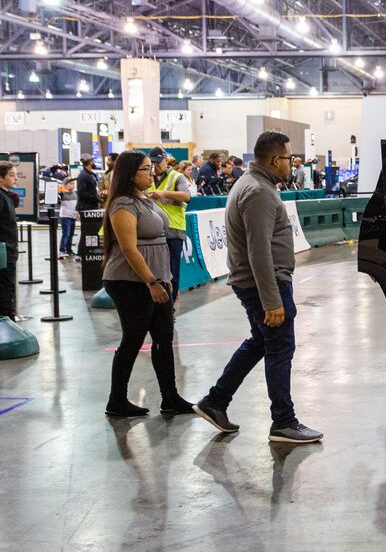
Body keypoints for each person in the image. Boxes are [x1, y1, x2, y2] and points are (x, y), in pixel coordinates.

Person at [194, 131, 322, 444]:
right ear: (275, 159)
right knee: (280, 348)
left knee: (261, 342)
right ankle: (283, 421)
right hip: (265, 284)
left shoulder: (253, 184)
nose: (292, 164)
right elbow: (259, 250)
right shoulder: (259, 192)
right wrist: (272, 300)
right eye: (289, 158)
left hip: (258, 283)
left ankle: (216, 401)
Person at [101, 151, 193, 417]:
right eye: (145, 169)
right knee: (133, 338)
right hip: (131, 281)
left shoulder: (145, 199)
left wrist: (165, 279)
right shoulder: (122, 205)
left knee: (163, 337)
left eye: (151, 168)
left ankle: (170, 397)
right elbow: (129, 250)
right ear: (130, 173)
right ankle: (116, 401)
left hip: (158, 278)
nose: (152, 173)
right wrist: (151, 281)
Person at [146, 147, 191, 303]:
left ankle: (170, 304)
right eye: (152, 163)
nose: (155, 166)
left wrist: (164, 194)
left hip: (173, 229)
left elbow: (186, 196)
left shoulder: (177, 177)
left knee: (172, 269)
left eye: (158, 162)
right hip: (153, 230)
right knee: (154, 269)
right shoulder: (148, 178)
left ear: (166, 161)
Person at [0, 162, 20, 320]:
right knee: (5, 288)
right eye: (11, 175)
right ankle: (7, 320)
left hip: (9, 251)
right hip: (4, 252)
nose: (16, 179)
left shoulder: (6, 196)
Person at [58, 176, 78, 258]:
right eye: (70, 184)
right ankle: (62, 250)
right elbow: (57, 190)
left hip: (73, 217)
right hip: (65, 217)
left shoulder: (75, 193)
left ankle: (69, 250)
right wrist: (63, 187)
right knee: (66, 234)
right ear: (65, 185)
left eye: (73, 184)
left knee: (71, 234)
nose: (72, 186)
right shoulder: (62, 193)